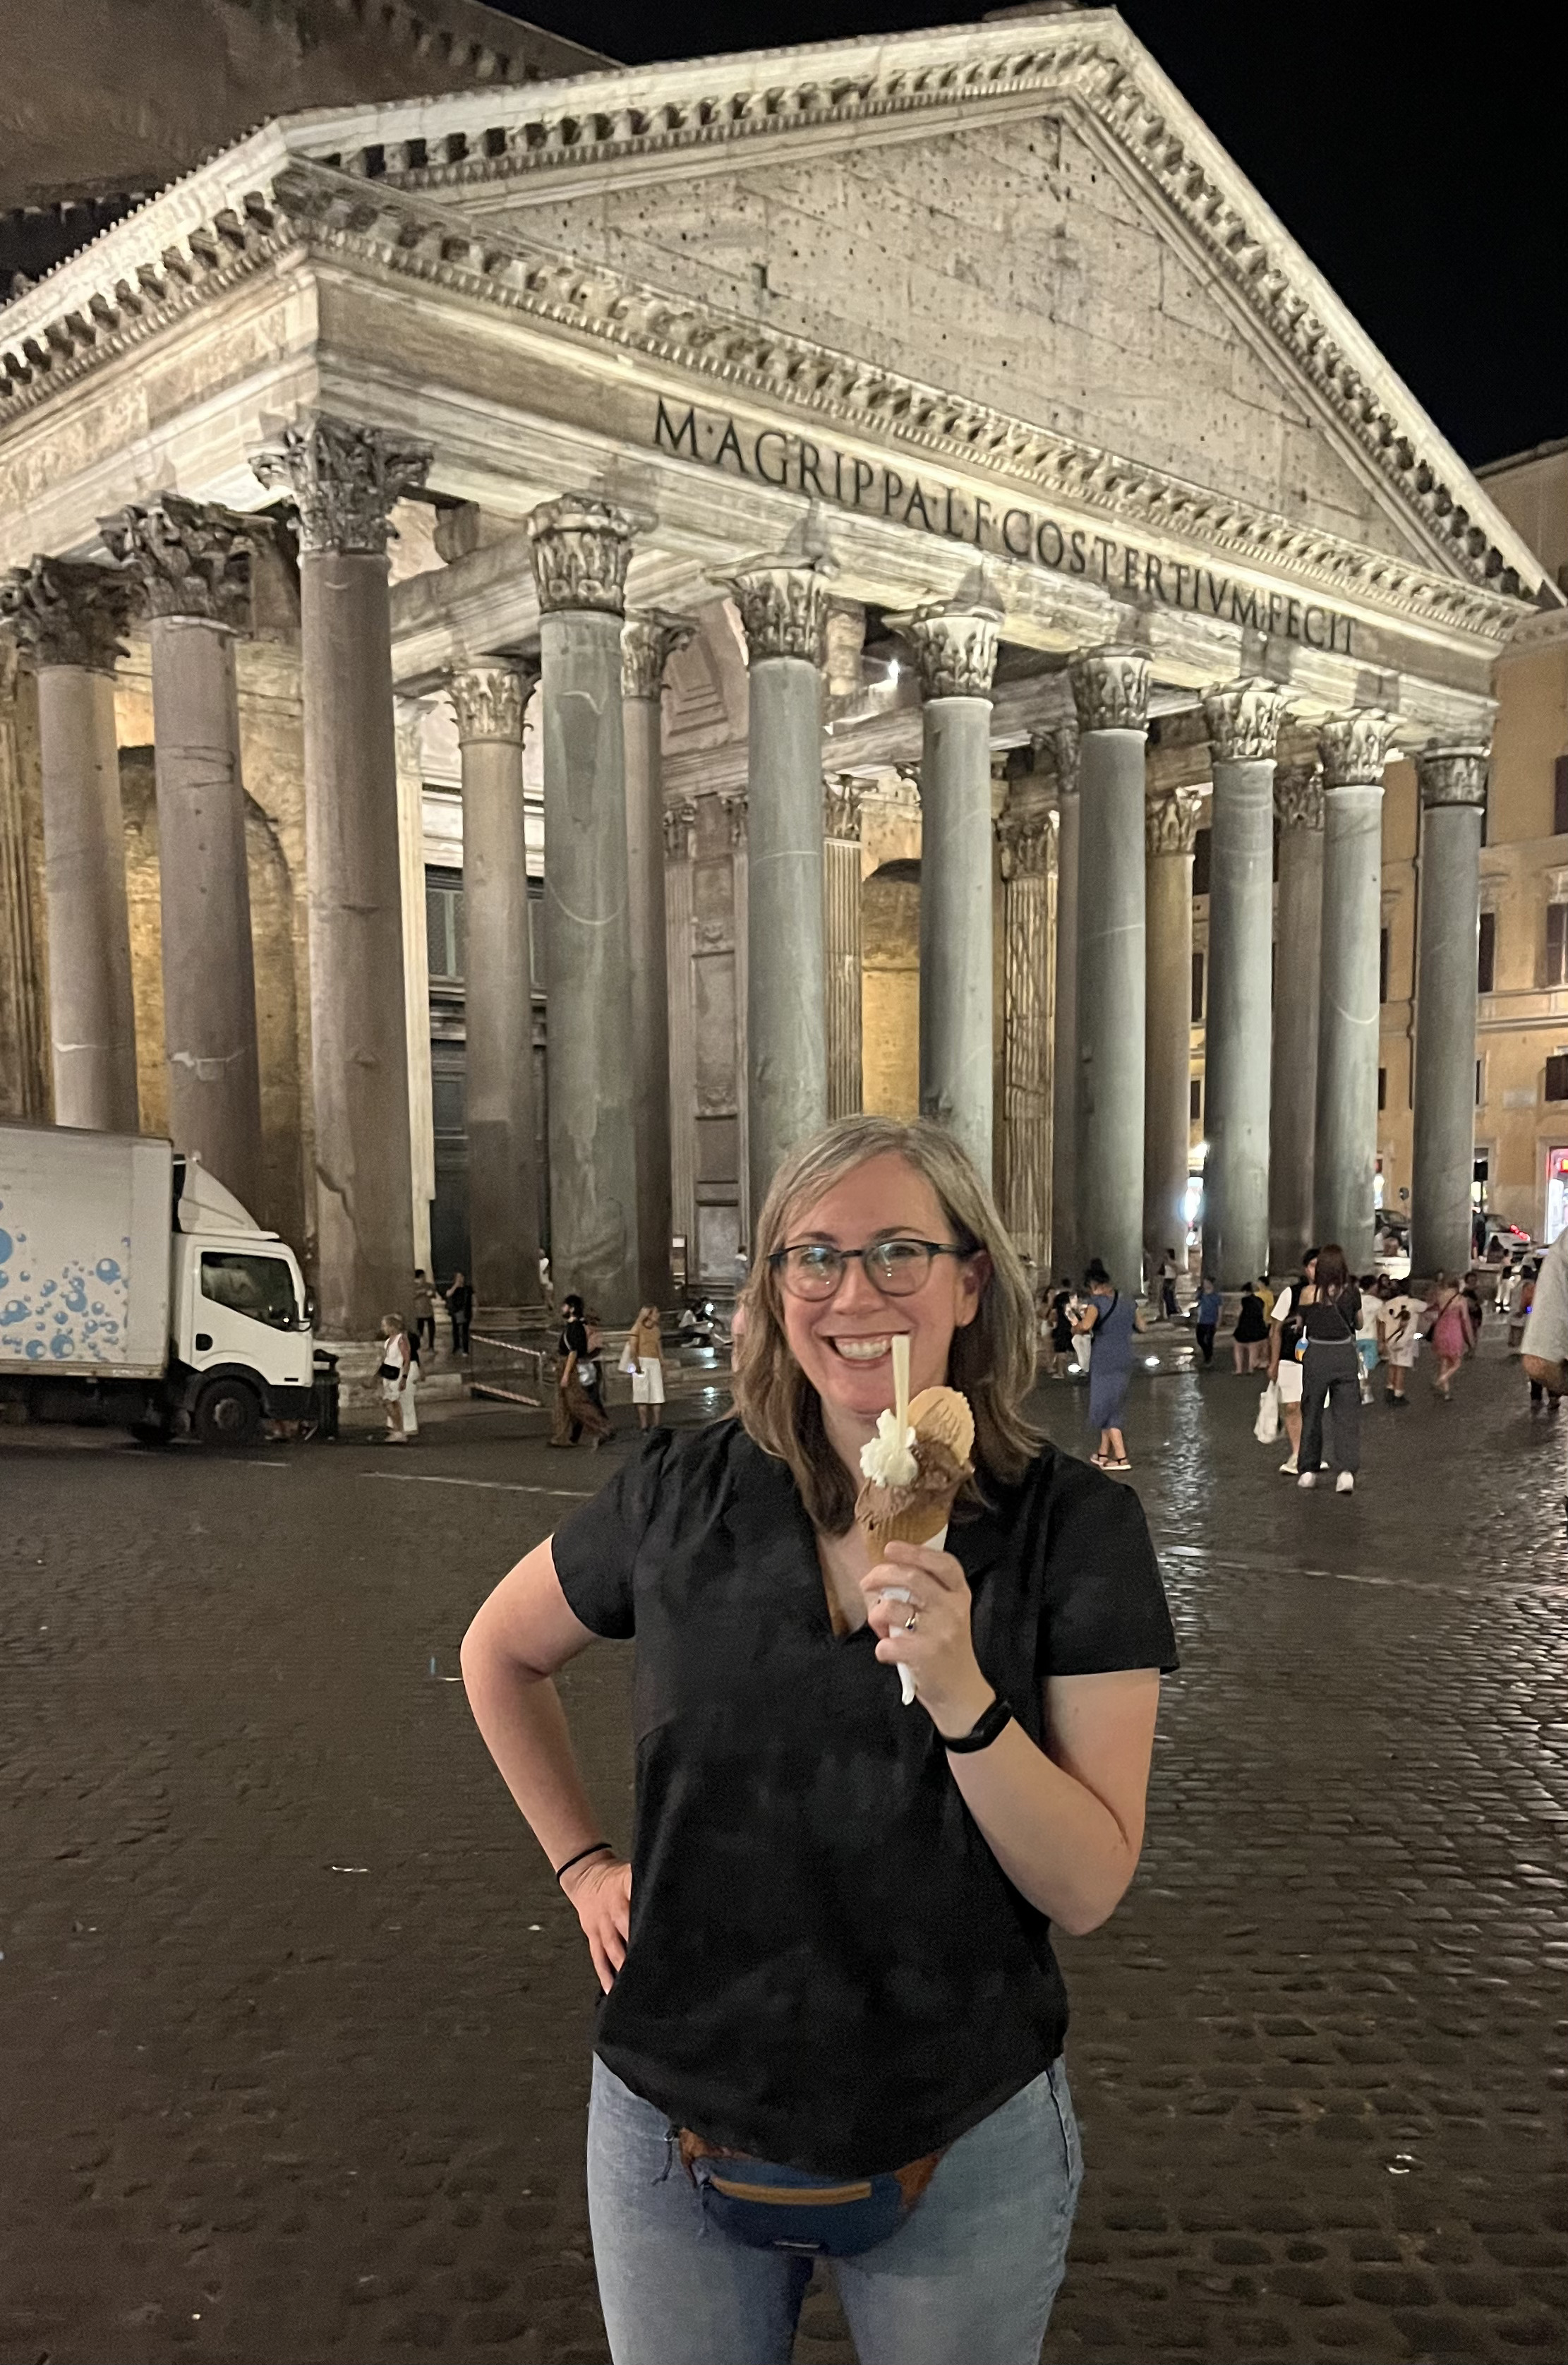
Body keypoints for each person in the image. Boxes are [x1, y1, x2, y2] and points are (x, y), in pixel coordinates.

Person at [459, 1114, 1176, 2365]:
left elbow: (1087, 1881)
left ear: (969, 1280)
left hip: (960, 2127)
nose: (854, 1291)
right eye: (814, 1255)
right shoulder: (678, 1492)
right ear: (775, 1289)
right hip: (672, 2120)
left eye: (900, 1250)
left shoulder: (1077, 1529)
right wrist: (581, 1865)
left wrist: (960, 1689)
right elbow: (497, 1654)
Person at [1295, 1243, 1361, 1493]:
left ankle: (1308, 1470)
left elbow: (1302, 1323)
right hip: (1343, 1353)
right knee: (1346, 1415)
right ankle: (1346, 1472)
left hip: (1317, 1354)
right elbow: (1359, 1322)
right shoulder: (1352, 1292)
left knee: (1311, 1411)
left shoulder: (1308, 1294)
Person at [1076, 1256, 1143, 1471]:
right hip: (1124, 1356)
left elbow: (1086, 1326)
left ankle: (1122, 1458)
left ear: (1093, 1286)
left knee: (1104, 1406)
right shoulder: (1128, 1302)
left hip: (1104, 1358)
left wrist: (1075, 1326)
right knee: (1114, 1403)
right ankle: (1103, 1453)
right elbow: (1143, 1327)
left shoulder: (1095, 1304)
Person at [1266, 1248, 1316, 1474]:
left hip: (1319, 1358)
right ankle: (1297, 1453)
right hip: (1290, 1356)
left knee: (1313, 1408)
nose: (1318, 1270)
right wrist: (1273, 1361)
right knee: (1292, 1405)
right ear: (1306, 1269)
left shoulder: (1333, 1294)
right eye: (1314, 1265)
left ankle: (1312, 1451)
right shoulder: (1291, 1293)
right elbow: (1275, 1329)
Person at [553, 1292, 613, 1449]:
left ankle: (602, 1428)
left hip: (569, 1366)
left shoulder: (576, 1328)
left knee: (576, 1403)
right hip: (565, 1364)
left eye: (565, 1306)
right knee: (563, 1405)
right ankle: (562, 1437)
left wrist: (566, 1374)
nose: (562, 1308)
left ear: (572, 1308)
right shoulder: (573, 1326)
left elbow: (573, 1352)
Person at [1377, 1279, 1425, 1404]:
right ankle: (1398, 1393)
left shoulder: (1388, 1304)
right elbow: (1426, 1307)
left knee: (1392, 1365)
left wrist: (1381, 1340)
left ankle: (1390, 1388)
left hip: (1390, 1339)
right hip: (1405, 1341)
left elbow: (1381, 1321)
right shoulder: (1414, 1303)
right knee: (1401, 1368)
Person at [1428, 1273, 1474, 1401]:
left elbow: (1431, 1308)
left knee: (1444, 1360)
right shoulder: (1461, 1300)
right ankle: (1442, 1379)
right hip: (1454, 1330)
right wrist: (1469, 1339)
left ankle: (1446, 1392)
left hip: (1440, 1329)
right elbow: (1465, 1319)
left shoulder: (1440, 1296)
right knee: (1456, 1362)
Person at [621, 1304, 666, 1433]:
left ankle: (656, 1424)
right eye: (656, 1313)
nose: (658, 1315)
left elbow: (659, 1349)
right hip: (642, 1362)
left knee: (657, 1396)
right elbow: (633, 1349)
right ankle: (644, 1426)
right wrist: (636, 1365)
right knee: (642, 1396)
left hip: (654, 1363)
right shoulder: (637, 1329)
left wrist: (662, 1364)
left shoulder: (656, 1330)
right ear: (649, 1315)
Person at [377, 1313, 417, 1443]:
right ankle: (397, 1430)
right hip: (389, 1375)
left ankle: (400, 1431)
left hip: (397, 1374)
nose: (383, 1328)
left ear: (392, 1326)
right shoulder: (388, 1341)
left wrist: (404, 1378)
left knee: (393, 1402)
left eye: (385, 1326)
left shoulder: (401, 1339)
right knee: (390, 1403)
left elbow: (406, 1359)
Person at [1353, 1277, 1382, 1404]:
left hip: (1355, 1337)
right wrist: (1382, 1340)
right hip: (1370, 1337)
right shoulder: (1377, 1303)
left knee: (1358, 1367)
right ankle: (1364, 1393)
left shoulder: (1354, 1300)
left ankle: (1360, 1392)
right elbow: (1382, 1322)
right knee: (1366, 1368)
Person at [1231, 1282, 1268, 1375]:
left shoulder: (1244, 1301)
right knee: (1253, 1348)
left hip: (1244, 1327)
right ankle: (1250, 1369)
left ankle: (1239, 1369)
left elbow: (1238, 1313)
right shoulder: (1260, 1300)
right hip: (1258, 1327)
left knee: (1238, 1346)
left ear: (1245, 1291)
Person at [1048, 1280, 1076, 1378]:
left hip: (1062, 1325)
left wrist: (1051, 1321)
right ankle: (1076, 1370)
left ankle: (1060, 1373)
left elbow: (1054, 1313)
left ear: (1062, 1285)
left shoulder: (1058, 1298)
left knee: (1060, 1349)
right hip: (1073, 1326)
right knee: (1074, 1349)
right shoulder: (1073, 1297)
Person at [1193, 1275, 1221, 1367]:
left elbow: (1220, 1308)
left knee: (1209, 1340)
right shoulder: (1202, 1294)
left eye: (1206, 1283)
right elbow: (1195, 1299)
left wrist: (1219, 1320)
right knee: (1200, 1339)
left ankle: (1208, 1358)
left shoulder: (1216, 1296)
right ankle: (1207, 1354)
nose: (1205, 1285)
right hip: (1201, 1320)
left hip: (1211, 1321)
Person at [444, 1269, 474, 1356]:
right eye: (459, 1277)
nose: (461, 1279)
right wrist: (456, 1286)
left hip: (465, 1311)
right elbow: (448, 1294)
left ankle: (465, 1349)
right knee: (455, 1331)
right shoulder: (453, 1288)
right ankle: (456, 1347)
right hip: (455, 1311)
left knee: (465, 1331)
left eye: (462, 1277)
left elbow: (472, 1299)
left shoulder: (468, 1288)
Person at [411, 1269, 435, 1357]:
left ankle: (431, 1346)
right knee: (419, 1329)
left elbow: (434, 1295)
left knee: (431, 1328)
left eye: (424, 1276)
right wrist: (422, 1292)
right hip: (419, 1312)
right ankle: (418, 1346)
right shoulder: (414, 1286)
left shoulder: (429, 1285)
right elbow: (412, 1296)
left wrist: (431, 1293)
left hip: (428, 1310)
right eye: (422, 1276)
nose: (424, 1278)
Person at [1157, 1249, 1179, 1323]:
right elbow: (1161, 1273)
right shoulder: (1165, 1263)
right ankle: (1168, 1313)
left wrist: (1174, 1283)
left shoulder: (1173, 1263)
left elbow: (1180, 1271)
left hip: (1170, 1280)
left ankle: (1173, 1312)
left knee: (1170, 1297)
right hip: (1166, 1280)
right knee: (1165, 1297)